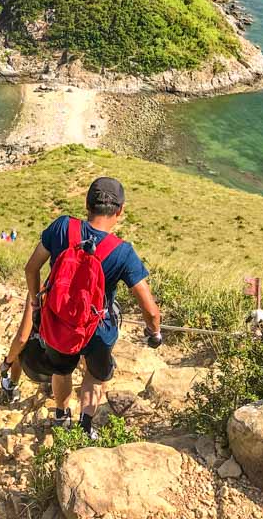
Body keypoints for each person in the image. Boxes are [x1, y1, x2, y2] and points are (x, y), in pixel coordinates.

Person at [21, 177, 162, 437]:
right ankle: (86, 426)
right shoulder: (123, 252)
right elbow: (150, 309)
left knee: (61, 371)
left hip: (59, 322)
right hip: (98, 329)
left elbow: (32, 267)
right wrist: (155, 333)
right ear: (120, 211)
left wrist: (35, 302)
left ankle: (62, 417)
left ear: (87, 205)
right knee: (95, 376)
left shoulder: (63, 227)